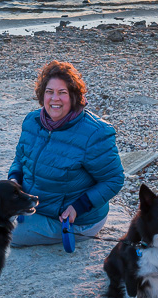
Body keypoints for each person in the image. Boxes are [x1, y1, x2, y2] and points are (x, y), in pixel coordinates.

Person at [8, 60, 125, 246]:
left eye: (62, 93)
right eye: (50, 92)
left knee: (5, 235)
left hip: (74, 218)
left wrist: (78, 207)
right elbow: (20, 159)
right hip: (34, 205)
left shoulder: (95, 133)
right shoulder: (32, 121)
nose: (55, 98)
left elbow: (114, 179)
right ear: (42, 95)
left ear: (73, 96)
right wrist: (14, 180)